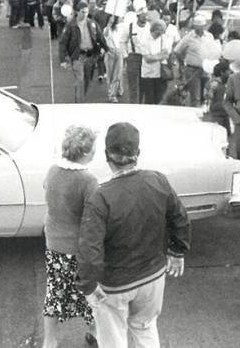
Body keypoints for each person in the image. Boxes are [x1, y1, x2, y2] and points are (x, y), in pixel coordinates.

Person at [77, 122, 190, 348]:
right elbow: (180, 218)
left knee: (113, 339)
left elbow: (90, 249)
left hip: (115, 284)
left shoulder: (100, 198)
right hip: (153, 276)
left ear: (107, 154)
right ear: (137, 154)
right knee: (145, 327)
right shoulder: (158, 180)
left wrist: (88, 284)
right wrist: (177, 251)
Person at [42, 125, 100, 348]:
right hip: (78, 248)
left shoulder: (52, 171)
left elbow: (47, 191)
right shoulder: (88, 181)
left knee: (55, 291)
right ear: (86, 153)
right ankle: (94, 332)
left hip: (54, 244)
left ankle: (50, 340)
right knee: (90, 290)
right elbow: (93, 219)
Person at [59, 1, 108, 103]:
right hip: (78, 57)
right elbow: (63, 43)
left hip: (90, 56)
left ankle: (82, 100)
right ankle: (79, 104)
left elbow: (100, 37)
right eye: (82, 12)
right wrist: (62, 59)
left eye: (86, 12)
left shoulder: (92, 23)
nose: (84, 14)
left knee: (87, 81)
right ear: (77, 12)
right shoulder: (70, 25)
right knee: (80, 80)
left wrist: (106, 48)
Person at [173, 13, 218, 106]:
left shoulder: (209, 36)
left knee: (205, 96)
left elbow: (214, 50)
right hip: (193, 69)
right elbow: (177, 50)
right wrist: (182, 63)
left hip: (206, 69)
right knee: (196, 97)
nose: (200, 29)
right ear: (194, 26)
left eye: (201, 26)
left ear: (204, 26)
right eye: (197, 27)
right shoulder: (188, 37)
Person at [119, 11, 150, 104]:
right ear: (138, 16)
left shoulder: (150, 27)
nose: (145, 17)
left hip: (146, 58)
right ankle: (133, 105)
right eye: (143, 15)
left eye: (146, 15)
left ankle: (142, 105)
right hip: (133, 57)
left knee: (145, 84)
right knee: (133, 85)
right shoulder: (130, 27)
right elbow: (122, 41)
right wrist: (125, 55)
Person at [139, 20, 171, 105]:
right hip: (148, 74)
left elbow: (166, 54)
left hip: (161, 74)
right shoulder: (144, 40)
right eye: (160, 31)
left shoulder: (164, 38)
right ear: (155, 29)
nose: (161, 33)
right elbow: (147, 59)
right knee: (149, 99)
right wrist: (160, 56)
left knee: (159, 99)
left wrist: (154, 56)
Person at [103, 16, 125, 103]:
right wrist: (109, 23)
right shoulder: (106, 29)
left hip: (119, 52)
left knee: (118, 73)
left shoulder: (121, 28)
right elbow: (105, 35)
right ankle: (112, 91)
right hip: (110, 52)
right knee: (110, 74)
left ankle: (112, 95)